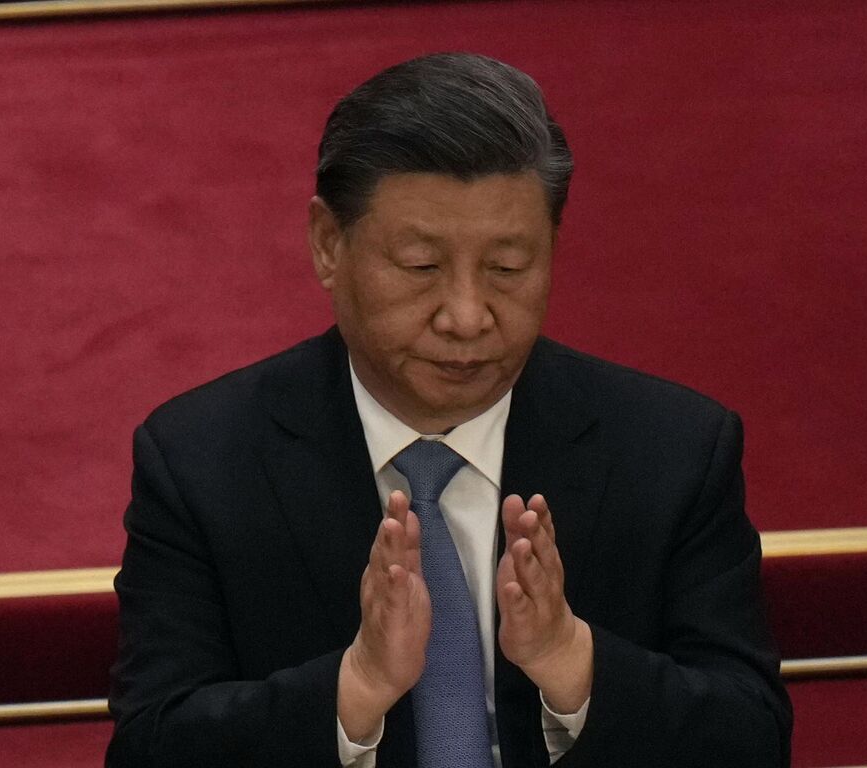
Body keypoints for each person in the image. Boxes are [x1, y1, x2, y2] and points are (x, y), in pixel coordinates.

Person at [107, 52, 791, 767]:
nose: (467, 317)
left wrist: (571, 661)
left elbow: (753, 739)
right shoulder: (203, 462)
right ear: (328, 245)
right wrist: (357, 686)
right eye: (421, 267)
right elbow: (152, 748)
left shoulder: (672, 451)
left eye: (507, 269)